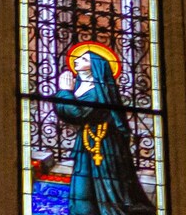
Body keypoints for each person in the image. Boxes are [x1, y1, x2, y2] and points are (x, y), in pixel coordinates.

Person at [51, 45, 155, 215]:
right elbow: (71, 114)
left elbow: (79, 114)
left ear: (96, 67)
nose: (76, 60)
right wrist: (66, 93)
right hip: (86, 144)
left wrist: (64, 92)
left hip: (106, 146)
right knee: (82, 185)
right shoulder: (79, 87)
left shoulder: (99, 93)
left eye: (84, 59)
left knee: (108, 186)